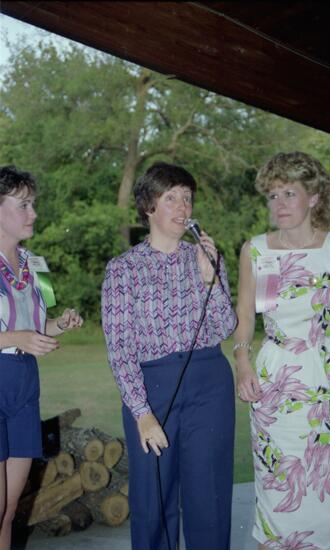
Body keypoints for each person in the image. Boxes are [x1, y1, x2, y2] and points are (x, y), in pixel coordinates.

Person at [234, 152, 330, 549]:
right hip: (275, 384)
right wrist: (243, 362)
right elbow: (245, 314)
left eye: (289, 193)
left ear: (314, 197)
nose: (279, 204)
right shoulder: (256, 251)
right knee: (279, 490)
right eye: (273, 195)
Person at [102, 161, 237, 550]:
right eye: (171, 197)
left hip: (210, 380)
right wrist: (142, 413)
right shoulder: (122, 270)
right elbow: (120, 348)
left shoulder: (205, 259)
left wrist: (208, 277)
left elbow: (225, 327)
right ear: (148, 206)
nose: (183, 207)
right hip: (152, 387)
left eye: (187, 198)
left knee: (208, 496)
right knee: (154, 499)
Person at [0, 165, 83, 550]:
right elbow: (23, 334)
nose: (33, 213)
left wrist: (62, 324)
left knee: (10, 506)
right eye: (23, 205)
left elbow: (43, 325)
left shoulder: (40, 266)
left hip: (25, 385)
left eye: (33, 204)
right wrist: (21, 337)